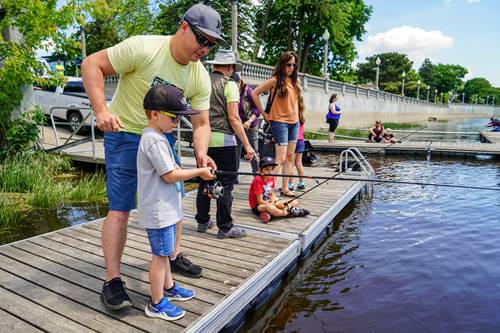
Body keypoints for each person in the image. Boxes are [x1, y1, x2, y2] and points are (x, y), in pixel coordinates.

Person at [81, 3, 228, 310]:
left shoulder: (199, 75)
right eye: (203, 40)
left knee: (173, 201)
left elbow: (201, 123)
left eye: (211, 44)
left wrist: (201, 155)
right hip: (123, 135)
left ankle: (171, 259)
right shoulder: (144, 47)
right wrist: (101, 111)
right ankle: (113, 280)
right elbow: (91, 64)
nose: (205, 48)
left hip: (163, 138)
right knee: (120, 208)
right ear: (184, 27)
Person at [138, 84, 215, 321]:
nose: (178, 122)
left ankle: (169, 287)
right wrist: (200, 172)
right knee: (160, 256)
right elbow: (169, 175)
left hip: (166, 209)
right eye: (174, 117)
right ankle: (156, 302)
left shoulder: (159, 137)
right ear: (155, 114)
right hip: (159, 211)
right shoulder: (154, 140)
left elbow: (171, 168)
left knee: (167, 252)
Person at [195, 49, 257, 239]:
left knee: (205, 181)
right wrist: (247, 145)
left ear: (215, 65)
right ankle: (225, 226)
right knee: (225, 185)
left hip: (202, 140)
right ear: (230, 67)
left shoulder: (202, 81)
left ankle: (203, 221)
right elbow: (234, 118)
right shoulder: (229, 85)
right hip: (224, 142)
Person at [251, 51, 302, 197]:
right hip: (279, 122)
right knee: (279, 159)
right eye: (288, 64)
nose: (291, 67)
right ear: (282, 64)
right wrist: (264, 114)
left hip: (294, 123)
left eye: (294, 65)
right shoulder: (275, 80)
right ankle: (269, 191)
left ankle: (285, 188)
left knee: (290, 157)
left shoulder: (295, 81)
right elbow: (254, 94)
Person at [249, 156, 310, 223]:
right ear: (261, 171)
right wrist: (274, 205)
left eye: (272, 169)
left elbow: (271, 194)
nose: (270, 172)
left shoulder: (271, 177)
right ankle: (288, 213)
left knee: (294, 201)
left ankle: (276, 213)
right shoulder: (258, 180)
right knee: (270, 207)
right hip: (258, 205)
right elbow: (260, 201)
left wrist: (274, 202)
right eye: (266, 169)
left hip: (270, 201)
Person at [232, 72, 261, 179]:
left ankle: (257, 176)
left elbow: (257, 109)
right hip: (237, 126)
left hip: (251, 125)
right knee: (235, 151)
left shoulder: (248, 92)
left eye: (236, 85)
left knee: (254, 150)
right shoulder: (230, 92)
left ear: (240, 82)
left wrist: (249, 122)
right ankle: (234, 176)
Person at [288, 95, 306, 191]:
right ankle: (302, 184)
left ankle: (290, 185)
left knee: (290, 163)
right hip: (301, 140)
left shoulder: (292, 113)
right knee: (299, 163)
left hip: (293, 140)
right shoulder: (302, 114)